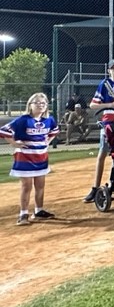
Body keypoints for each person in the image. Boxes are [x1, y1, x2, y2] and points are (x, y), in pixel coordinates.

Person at [0, 93, 59, 225]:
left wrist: (47, 141)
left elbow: (54, 131)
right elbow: (4, 131)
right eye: (37, 103)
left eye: (43, 103)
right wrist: (14, 144)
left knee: (40, 185)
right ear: (30, 105)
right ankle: (23, 214)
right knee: (26, 186)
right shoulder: (23, 120)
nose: (40, 105)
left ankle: (38, 211)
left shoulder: (49, 120)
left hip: (41, 157)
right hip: (25, 158)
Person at [84, 59, 114, 203]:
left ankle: (113, 183)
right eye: (113, 69)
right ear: (109, 71)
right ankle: (95, 188)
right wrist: (111, 104)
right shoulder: (104, 84)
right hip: (109, 122)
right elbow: (93, 105)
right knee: (103, 153)